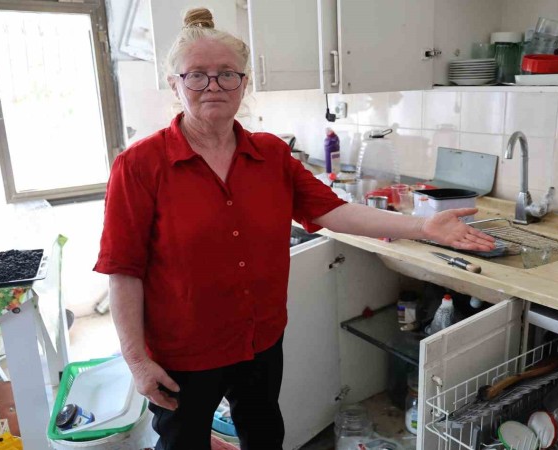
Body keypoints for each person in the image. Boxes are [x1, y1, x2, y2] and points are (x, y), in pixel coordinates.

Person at [94, 8, 495, 450]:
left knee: (265, 435)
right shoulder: (140, 166)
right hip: (184, 351)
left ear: (244, 83)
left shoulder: (270, 155)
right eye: (197, 75)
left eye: (227, 74)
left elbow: (335, 212)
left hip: (260, 340)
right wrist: (136, 360)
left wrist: (424, 226)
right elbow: (123, 270)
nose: (213, 85)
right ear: (175, 84)